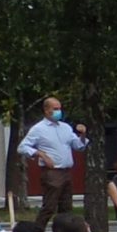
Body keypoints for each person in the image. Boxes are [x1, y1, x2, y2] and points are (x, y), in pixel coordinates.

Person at [17, 95, 89, 223]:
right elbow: (22, 147)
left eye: (59, 108)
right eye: (55, 109)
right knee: (49, 206)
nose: (58, 111)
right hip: (52, 172)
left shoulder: (65, 127)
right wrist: (40, 154)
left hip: (66, 171)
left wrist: (83, 134)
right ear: (46, 110)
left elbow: (78, 146)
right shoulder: (39, 129)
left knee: (66, 207)